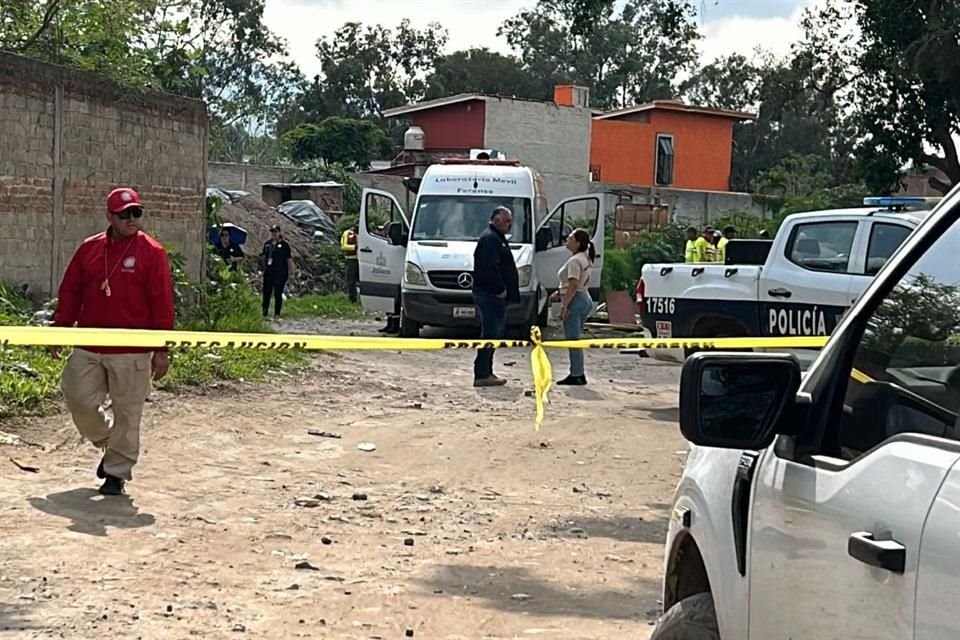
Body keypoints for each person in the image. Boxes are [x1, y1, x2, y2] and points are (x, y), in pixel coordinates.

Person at [50, 187, 174, 496]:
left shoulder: (152, 252)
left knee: (128, 413)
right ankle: (109, 441)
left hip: (132, 350)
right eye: (125, 214)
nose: (133, 219)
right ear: (110, 216)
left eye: (137, 213)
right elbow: (70, 293)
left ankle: (116, 474)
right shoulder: (89, 249)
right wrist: (58, 331)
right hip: (89, 344)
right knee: (77, 396)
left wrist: (161, 350)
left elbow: (162, 303)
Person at [472, 206, 519, 387]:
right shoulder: (490, 239)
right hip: (490, 295)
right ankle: (482, 373)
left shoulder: (496, 238)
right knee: (490, 333)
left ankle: (486, 371)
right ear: (496, 220)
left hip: (493, 295)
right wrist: (500, 289)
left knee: (495, 332)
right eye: (507, 221)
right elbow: (488, 267)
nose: (510, 225)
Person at [552, 229, 595, 385]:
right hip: (584, 298)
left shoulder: (575, 261)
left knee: (573, 339)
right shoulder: (585, 257)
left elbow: (573, 283)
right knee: (575, 337)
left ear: (577, 242)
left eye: (570, 238)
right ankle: (578, 372)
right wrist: (559, 292)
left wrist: (565, 305)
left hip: (575, 300)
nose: (567, 240)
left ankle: (576, 373)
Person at [261, 225, 293, 318]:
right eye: (272, 232)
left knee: (278, 292)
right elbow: (264, 257)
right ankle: (265, 312)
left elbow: (288, 258)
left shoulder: (284, 245)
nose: (274, 234)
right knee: (266, 292)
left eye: (275, 232)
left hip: (280, 272)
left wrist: (290, 271)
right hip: (269, 271)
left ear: (279, 233)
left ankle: (277, 313)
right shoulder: (267, 244)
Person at [341, 223, 359, 303]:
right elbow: (344, 246)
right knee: (350, 280)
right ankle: (352, 298)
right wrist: (355, 247)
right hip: (351, 259)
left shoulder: (360, 234)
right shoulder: (347, 233)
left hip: (361, 260)